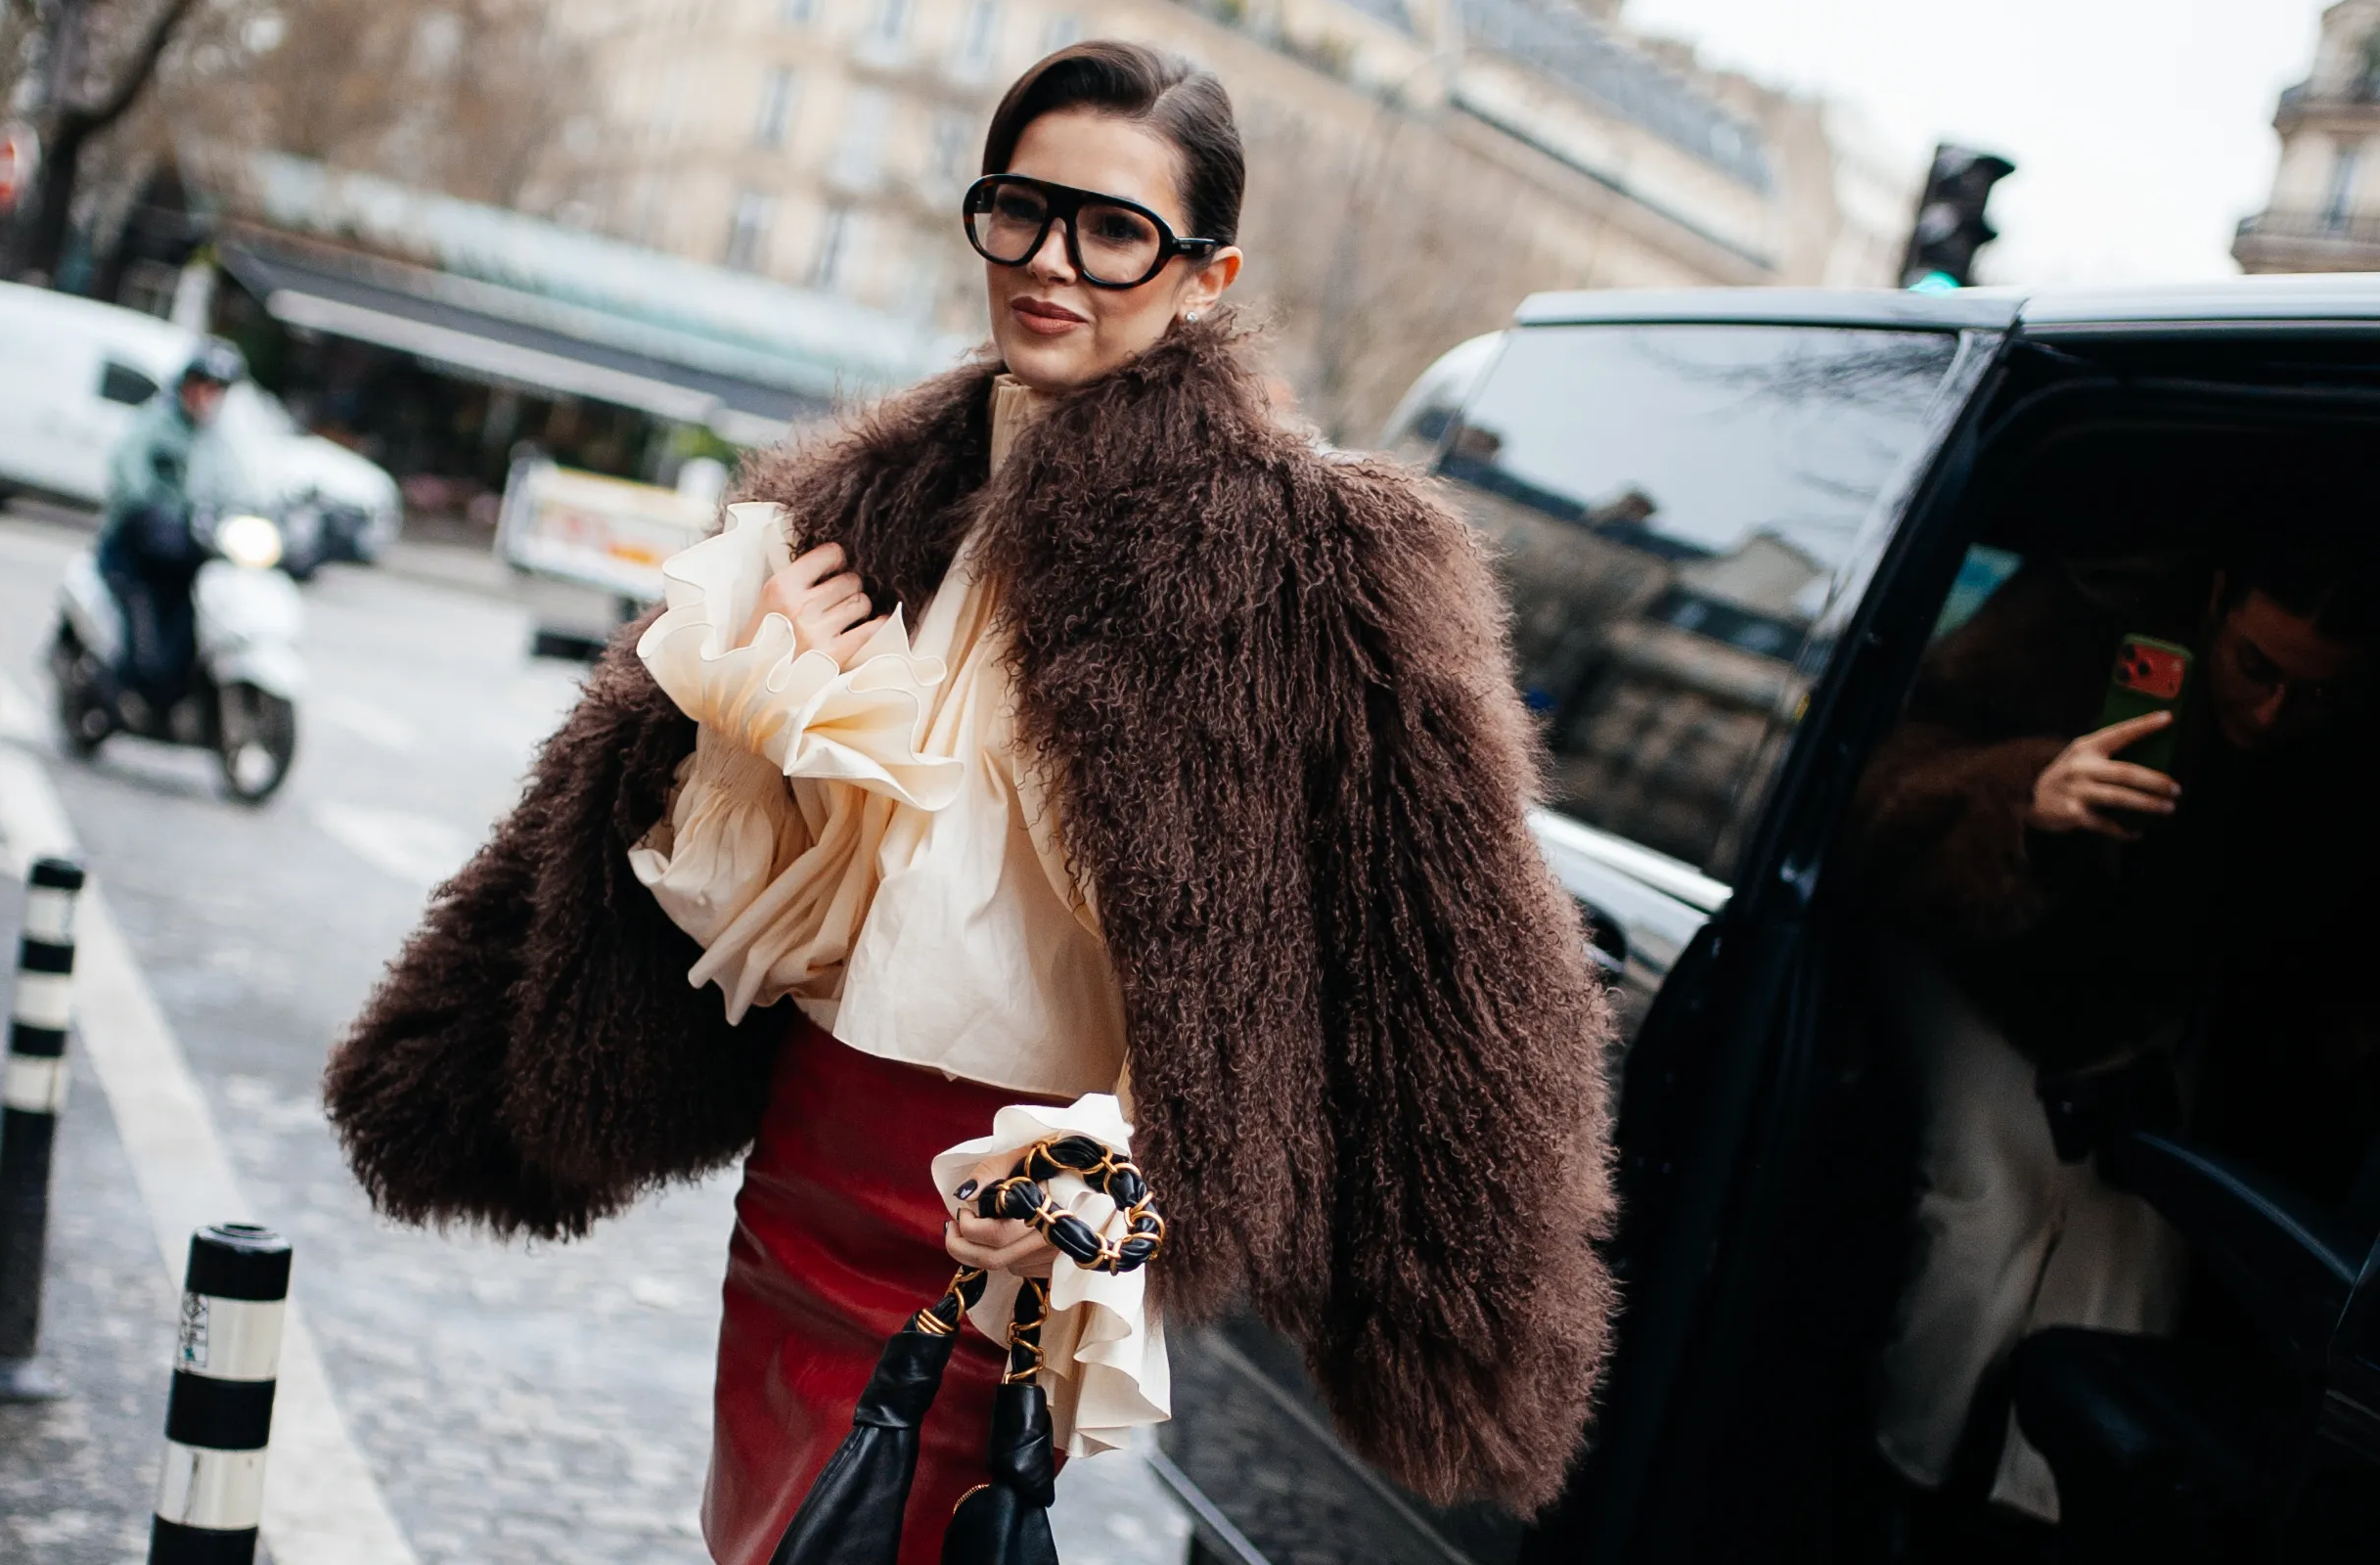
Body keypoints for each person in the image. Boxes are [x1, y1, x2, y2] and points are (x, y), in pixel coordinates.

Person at [324, 41, 1616, 1565]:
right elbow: (680, 849)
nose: (1053, 263)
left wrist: (1135, 1200)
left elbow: (1419, 972)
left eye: (1115, 230)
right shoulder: (869, 495)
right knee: (768, 1535)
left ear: (1206, 273)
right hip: (806, 1167)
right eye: (1022, 208)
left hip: (1014, 1210)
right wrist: (745, 710)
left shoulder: (1315, 564)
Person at [1848, 534, 2380, 1529]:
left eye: (2312, 694)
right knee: (1987, 1202)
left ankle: (2042, 1512)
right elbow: (1886, 795)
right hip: (1973, 950)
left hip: (2133, 1010)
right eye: (2255, 669)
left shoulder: (2337, 758)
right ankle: (1897, 1484)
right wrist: (2027, 796)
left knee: (2138, 1241)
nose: (2272, 712)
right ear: (2218, 596)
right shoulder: (2073, 623)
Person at [98, 339, 242, 717]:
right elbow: (128, 470)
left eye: (217, 390)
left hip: (185, 554)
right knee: (142, 624)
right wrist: (151, 509)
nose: (207, 397)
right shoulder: (155, 423)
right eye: (203, 385)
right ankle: (124, 688)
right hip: (135, 551)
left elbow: (240, 485)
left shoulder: (219, 439)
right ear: (185, 384)